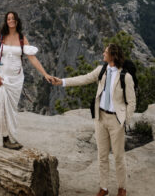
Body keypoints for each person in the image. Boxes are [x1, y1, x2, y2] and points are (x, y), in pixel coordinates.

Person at [52, 42, 136, 196]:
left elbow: (132, 102)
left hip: (116, 120)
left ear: (113, 56)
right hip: (100, 117)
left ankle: (122, 188)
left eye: (105, 52)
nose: (103, 54)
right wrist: (62, 82)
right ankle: (104, 187)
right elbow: (83, 79)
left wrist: (124, 120)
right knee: (102, 155)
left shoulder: (126, 76)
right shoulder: (101, 70)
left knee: (118, 156)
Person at [0, 10, 56, 149]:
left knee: (10, 109)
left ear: (17, 21)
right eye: (8, 19)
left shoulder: (22, 38)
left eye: (13, 18)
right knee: (1, 108)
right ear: (6, 21)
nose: (11, 21)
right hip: (2, 78)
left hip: (16, 80)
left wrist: (45, 74)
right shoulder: (0, 36)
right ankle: (5, 139)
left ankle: (7, 137)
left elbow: (32, 58)